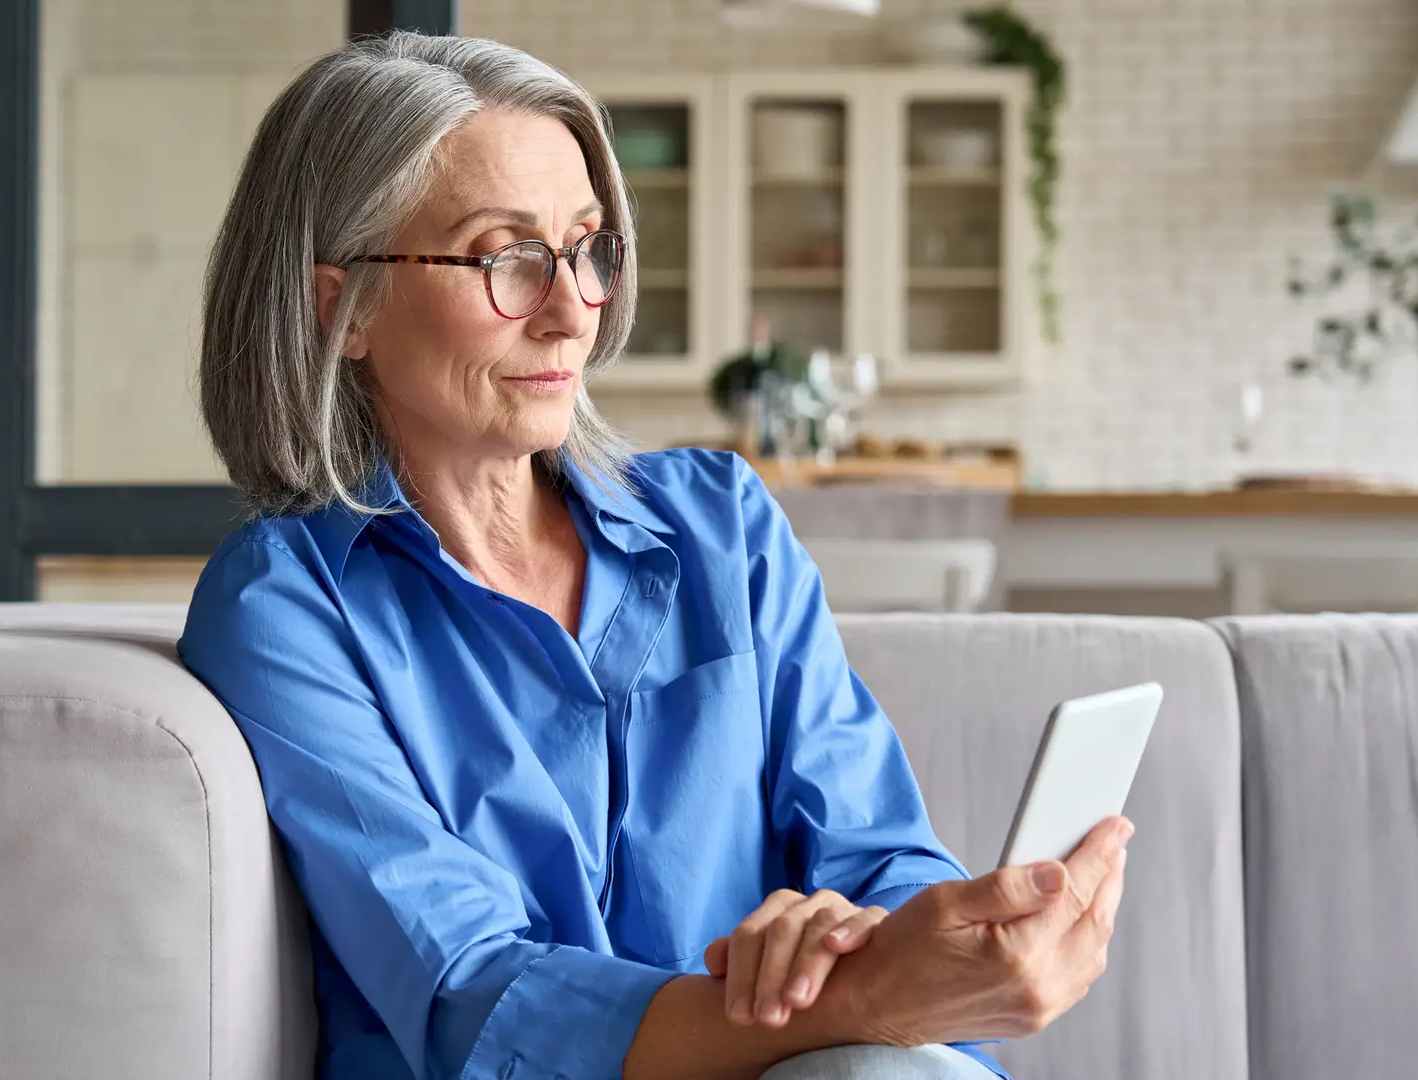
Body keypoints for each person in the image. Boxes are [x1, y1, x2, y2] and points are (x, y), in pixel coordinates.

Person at [177, 32, 1129, 1080]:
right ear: (339, 306)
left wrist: (873, 943)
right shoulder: (288, 604)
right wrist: (858, 995)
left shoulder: (719, 524)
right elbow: (471, 994)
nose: (573, 307)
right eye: (505, 256)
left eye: (587, 248)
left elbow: (879, 849)